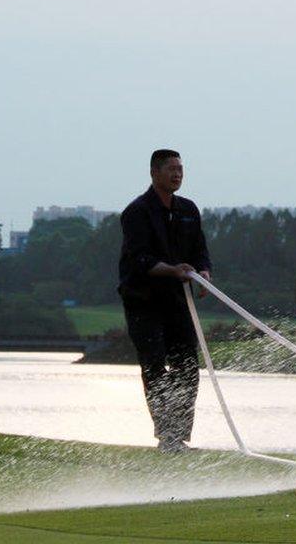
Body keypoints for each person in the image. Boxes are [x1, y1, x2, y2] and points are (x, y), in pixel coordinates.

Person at [118, 149, 212, 453]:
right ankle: (166, 436)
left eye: (181, 169)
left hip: (176, 301)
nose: (178, 174)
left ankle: (178, 435)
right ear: (154, 173)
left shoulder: (188, 209)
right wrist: (173, 270)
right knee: (155, 365)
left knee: (186, 366)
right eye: (171, 169)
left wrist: (204, 273)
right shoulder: (136, 212)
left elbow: (199, 251)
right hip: (143, 301)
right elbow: (140, 259)